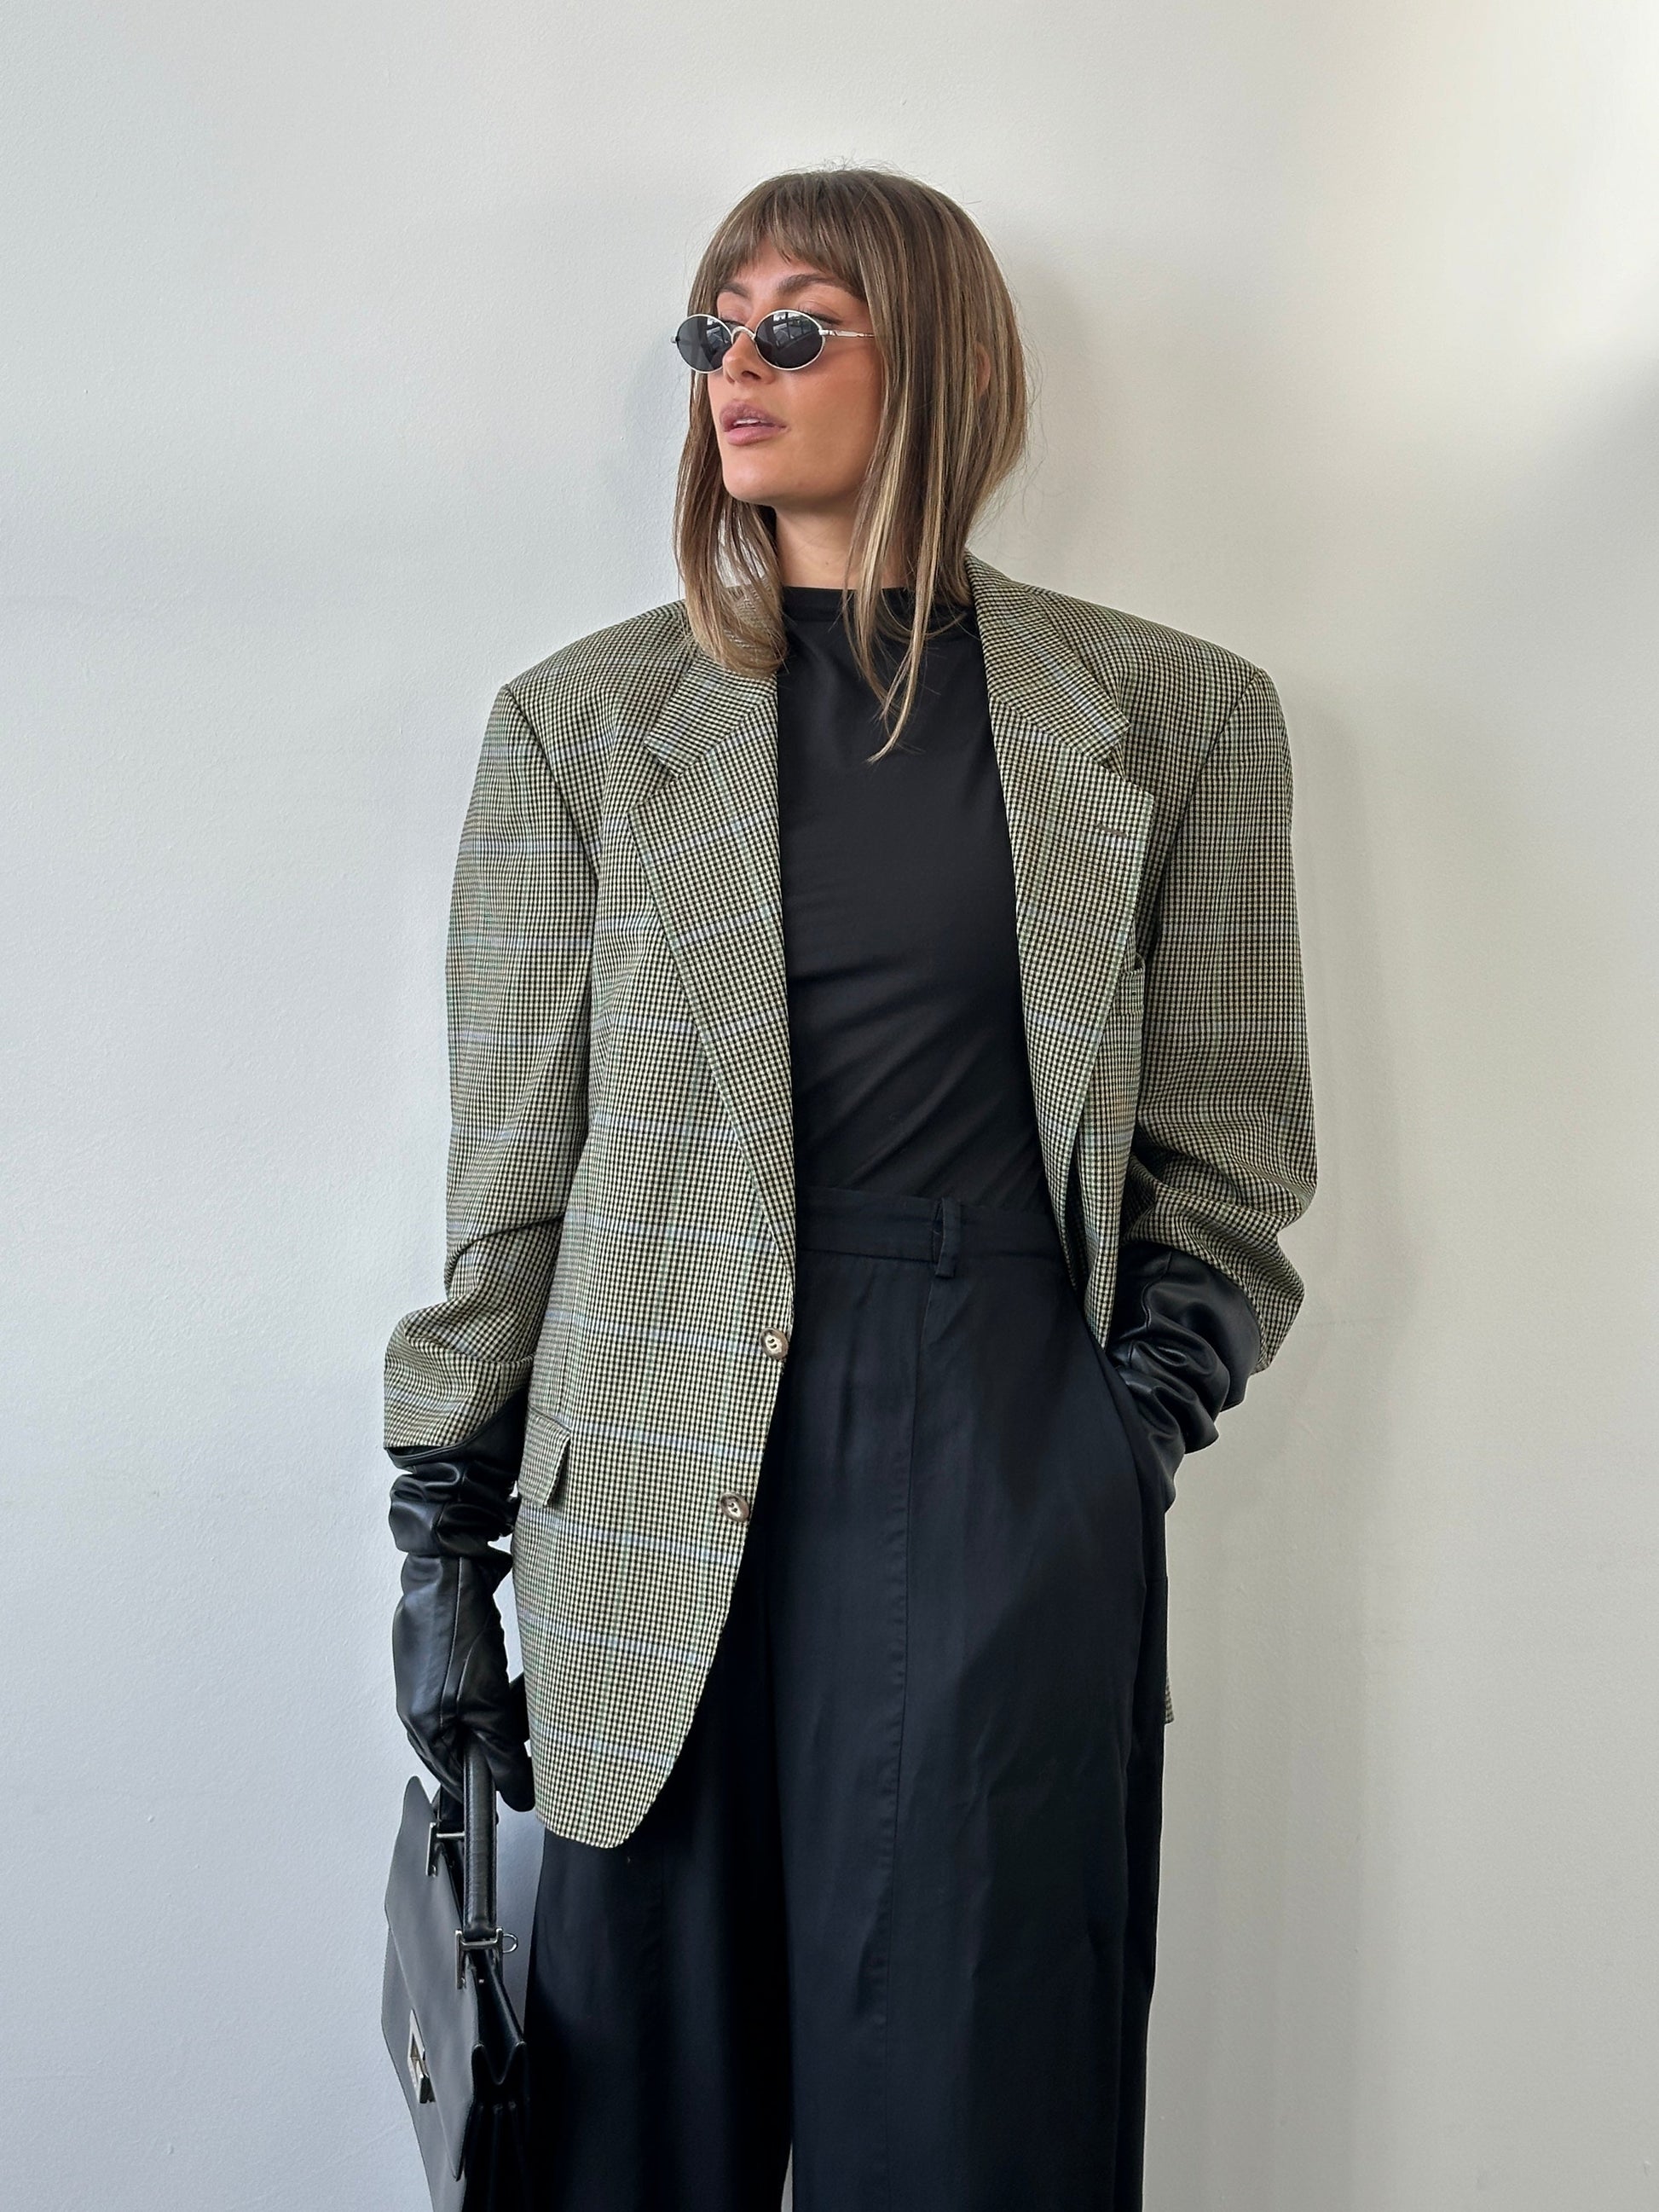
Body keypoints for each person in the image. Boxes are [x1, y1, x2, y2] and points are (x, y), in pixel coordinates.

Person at [382, 165, 1315, 2212]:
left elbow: (1230, 1151)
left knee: (973, 2114)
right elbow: (513, 1172)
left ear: (943, 364)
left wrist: (1114, 1440)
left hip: (996, 1458)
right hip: (645, 1461)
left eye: (796, 325)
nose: (737, 367)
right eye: (712, 328)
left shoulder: (1173, 721)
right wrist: (442, 1527)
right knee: (638, 2133)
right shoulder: (582, 726)